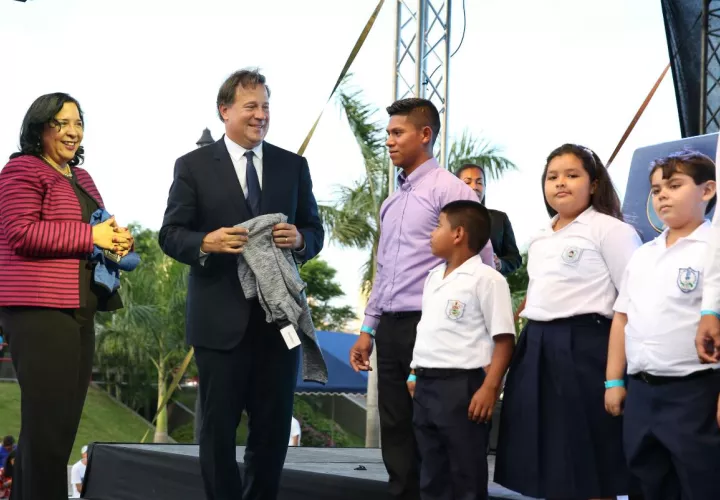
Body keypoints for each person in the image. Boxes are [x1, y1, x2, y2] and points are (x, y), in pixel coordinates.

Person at [159, 68, 324, 500]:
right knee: (216, 434)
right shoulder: (192, 166)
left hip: (279, 326)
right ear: (224, 110)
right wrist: (207, 242)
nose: (261, 115)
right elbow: (171, 235)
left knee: (271, 435)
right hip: (219, 327)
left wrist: (302, 239)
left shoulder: (293, 166)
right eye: (251, 106)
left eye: (266, 106)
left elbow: (315, 229)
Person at [349, 97, 494, 500]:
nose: (390, 142)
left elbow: (483, 262)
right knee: (395, 428)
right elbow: (384, 268)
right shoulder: (391, 201)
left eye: (398, 133)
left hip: (436, 326)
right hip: (391, 329)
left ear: (425, 135)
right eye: (388, 133)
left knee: (437, 433)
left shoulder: (451, 189)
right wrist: (367, 329)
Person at [0, 93, 133, 500]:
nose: (72, 131)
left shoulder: (83, 178)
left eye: (78, 122)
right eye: (61, 123)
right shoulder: (21, 170)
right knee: (47, 430)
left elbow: (99, 227)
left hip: (80, 307)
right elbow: (20, 232)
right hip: (39, 308)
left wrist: (117, 241)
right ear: (39, 128)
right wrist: (89, 236)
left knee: (59, 429)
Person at [493, 144, 642, 499]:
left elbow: (635, 299)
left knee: (591, 459)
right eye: (552, 177)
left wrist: (616, 374)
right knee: (547, 458)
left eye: (572, 175)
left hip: (588, 347)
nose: (561, 183)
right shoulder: (541, 238)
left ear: (593, 184)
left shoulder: (611, 230)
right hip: (537, 346)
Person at [606, 151, 720, 499]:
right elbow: (622, 318)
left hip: (694, 392)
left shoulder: (712, 249)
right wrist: (613, 379)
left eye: (674, 185)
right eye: (656, 190)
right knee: (646, 481)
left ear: (707, 190)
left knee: (700, 482)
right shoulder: (643, 254)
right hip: (641, 392)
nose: (662, 196)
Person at [408, 200, 515, 500]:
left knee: (465, 474)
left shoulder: (488, 279)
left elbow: (505, 340)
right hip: (426, 386)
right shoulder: (432, 278)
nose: (431, 233)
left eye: (438, 225)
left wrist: (489, 388)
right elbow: (429, 329)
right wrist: (414, 371)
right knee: (431, 473)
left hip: (463, 387)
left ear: (458, 234)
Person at [456, 163, 522, 275]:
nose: (474, 187)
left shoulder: (500, 219)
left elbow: (515, 258)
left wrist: (500, 264)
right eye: (467, 182)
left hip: (491, 286)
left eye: (479, 182)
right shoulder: (446, 220)